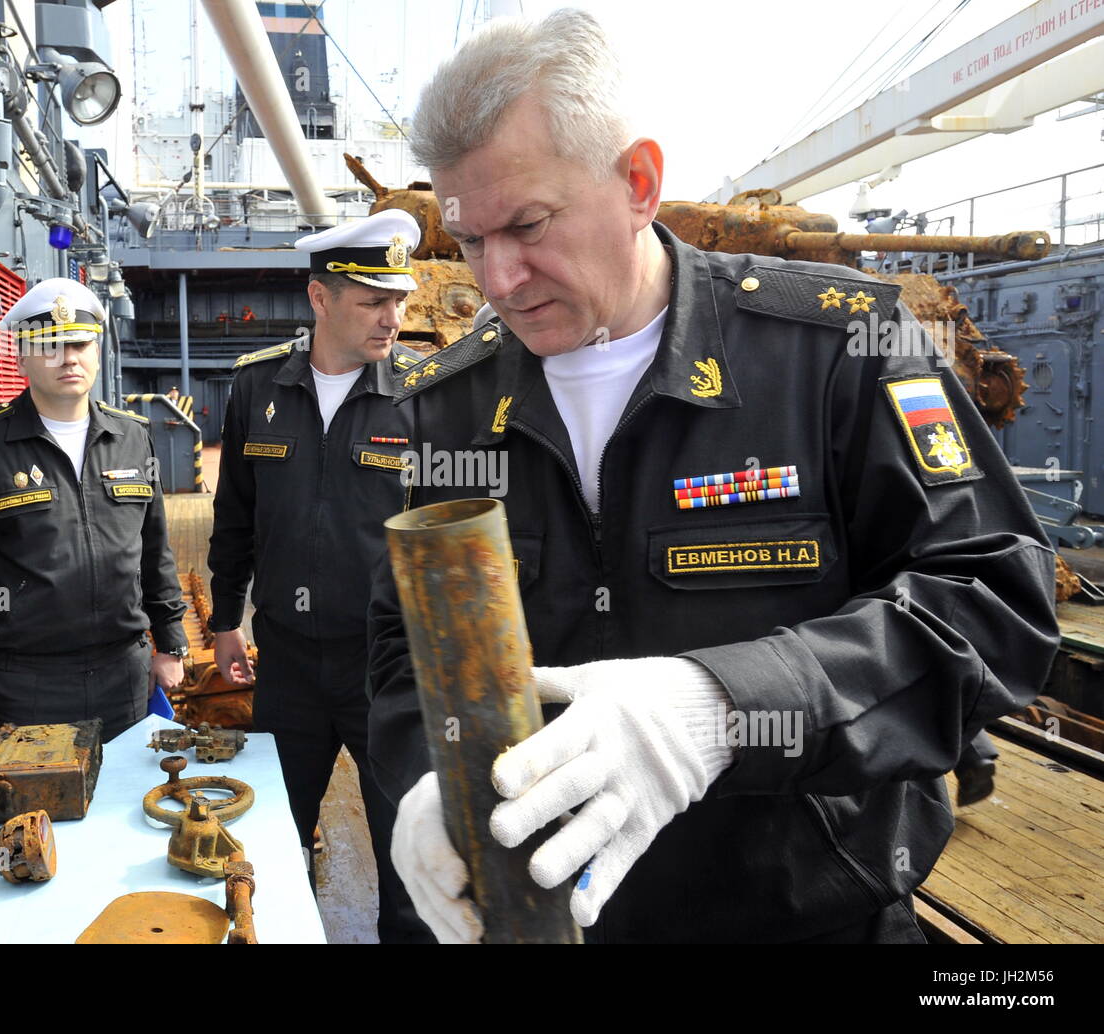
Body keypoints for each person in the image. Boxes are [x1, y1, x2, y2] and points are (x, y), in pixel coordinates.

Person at [367, 9, 1059, 944]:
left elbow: (994, 603)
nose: (499, 277)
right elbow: (401, 649)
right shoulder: (445, 405)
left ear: (639, 182)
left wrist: (727, 707)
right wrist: (426, 780)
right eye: (469, 238)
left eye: (528, 225)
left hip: (807, 917)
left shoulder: (845, 349)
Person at [207, 209, 431, 942]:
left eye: (398, 300)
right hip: (289, 664)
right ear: (320, 299)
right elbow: (235, 515)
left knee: (410, 852)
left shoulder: (423, 398)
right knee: (274, 839)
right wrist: (223, 622)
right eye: (373, 300)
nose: (391, 317)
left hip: (389, 668)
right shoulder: (255, 390)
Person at [0, 277, 188, 744]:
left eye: (80, 344)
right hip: (25, 686)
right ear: (20, 356)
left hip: (126, 676)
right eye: (50, 345)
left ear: (97, 351)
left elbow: (154, 551)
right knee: (34, 816)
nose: (68, 358)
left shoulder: (133, 437)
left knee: (129, 808)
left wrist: (171, 641)